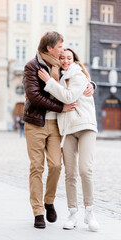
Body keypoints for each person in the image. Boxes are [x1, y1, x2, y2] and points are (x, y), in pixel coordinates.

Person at [38, 48, 99, 231]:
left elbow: (69, 97)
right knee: (70, 173)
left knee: (85, 170)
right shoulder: (59, 76)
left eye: (69, 58)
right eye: (62, 58)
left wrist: (48, 82)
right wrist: (51, 80)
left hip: (85, 126)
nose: (65, 60)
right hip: (67, 129)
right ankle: (73, 212)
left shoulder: (78, 75)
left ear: (74, 60)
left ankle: (90, 212)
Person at [22, 32, 77, 229]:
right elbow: (35, 97)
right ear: (49, 48)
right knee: (37, 167)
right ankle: (38, 211)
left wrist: (91, 86)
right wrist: (61, 107)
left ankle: (49, 200)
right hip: (35, 123)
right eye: (60, 46)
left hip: (56, 125)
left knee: (55, 165)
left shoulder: (62, 66)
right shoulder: (32, 66)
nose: (63, 50)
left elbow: (80, 76)